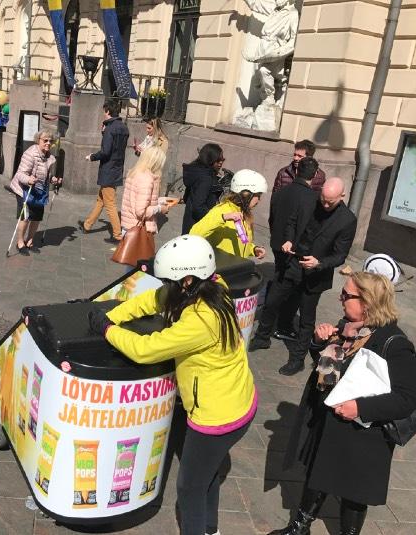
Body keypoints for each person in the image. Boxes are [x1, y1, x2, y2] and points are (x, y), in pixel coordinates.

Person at [87, 235, 257, 535]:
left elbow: (146, 349)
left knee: (190, 488)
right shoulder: (216, 287)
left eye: (171, 280)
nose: (167, 286)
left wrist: (107, 330)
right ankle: (210, 529)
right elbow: (155, 299)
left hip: (217, 417)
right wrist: (112, 314)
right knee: (209, 474)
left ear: (189, 280)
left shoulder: (202, 321)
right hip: (239, 399)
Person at [270, 272, 416, 535]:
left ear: (368, 302)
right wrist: (319, 343)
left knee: (353, 492)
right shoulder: (347, 327)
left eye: (346, 295)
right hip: (331, 422)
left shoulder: (393, 342)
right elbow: (329, 373)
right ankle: (299, 527)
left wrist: (360, 408)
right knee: (318, 474)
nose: (340, 298)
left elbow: (408, 398)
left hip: (364, 434)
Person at [250, 177, 357, 376]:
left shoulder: (347, 219)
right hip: (293, 263)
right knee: (272, 300)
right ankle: (262, 337)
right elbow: (291, 222)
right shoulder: (309, 201)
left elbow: (340, 254)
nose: (324, 204)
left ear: (342, 196)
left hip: (315, 274)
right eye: (323, 199)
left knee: (306, 319)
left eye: (330, 202)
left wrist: (319, 263)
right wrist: (289, 240)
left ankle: (297, 359)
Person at [266, 157, 320, 342]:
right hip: (296, 250)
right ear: (314, 175)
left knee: (278, 278)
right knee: (292, 290)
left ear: (296, 172)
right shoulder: (313, 199)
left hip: (277, 244)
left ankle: (267, 324)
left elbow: (272, 218)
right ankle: (283, 325)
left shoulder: (280, 192)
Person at [78, 99, 130, 244]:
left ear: (107, 111)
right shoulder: (123, 127)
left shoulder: (110, 128)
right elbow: (116, 148)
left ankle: (118, 235)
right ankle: (88, 225)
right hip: (117, 167)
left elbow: (106, 151)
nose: (103, 114)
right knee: (101, 200)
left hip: (108, 169)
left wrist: (92, 157)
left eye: (104, 111)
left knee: (110, 204)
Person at [190, 169, 268, 259]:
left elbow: (242, 241)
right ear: (246, 194)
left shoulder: (244, 213)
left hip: (237, 267)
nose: (259, 200)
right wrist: (223, 217)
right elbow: (194, 233)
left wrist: (253, 249)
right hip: (221, 268)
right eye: (257, 195)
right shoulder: (222, 210)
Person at [9, 130, 61, 255]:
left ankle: (30, 240)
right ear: (38, 140)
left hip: (39, 191)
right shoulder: (30, 154)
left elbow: (47, 176)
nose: (48, 143)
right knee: (26, 217)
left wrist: (54, 180)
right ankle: (20, 242)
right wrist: (28, 179)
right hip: (24, 190)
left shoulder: (50, 157)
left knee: (37, 216)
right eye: (45, 140)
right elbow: (20, 173)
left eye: (51, 141)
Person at [120, 146, 170, 241]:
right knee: (138, 255)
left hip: (128, 225)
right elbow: (140, 212)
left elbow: (138, 200)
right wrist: (160, 208)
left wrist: (160, 200)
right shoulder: (147, 179)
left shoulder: (135, 172)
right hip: (138, 229)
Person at [181, 143, 226, 234]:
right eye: (218, 160)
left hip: (190, 223)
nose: (221, 162)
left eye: (222, 159)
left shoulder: (198, 172)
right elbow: (198, 208)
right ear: (209, 159)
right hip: (198, 228)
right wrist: (217, 218)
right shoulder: (206, 178)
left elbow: (187, 197)